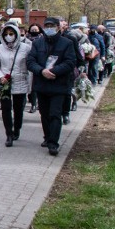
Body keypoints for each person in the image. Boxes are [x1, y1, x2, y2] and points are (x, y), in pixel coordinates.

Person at [27, 16, 77, 156]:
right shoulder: (38, 44)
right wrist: (41, 71)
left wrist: (53, 72)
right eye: (47, 26)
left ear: (58, 27)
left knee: (55, 114)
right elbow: (31, 61)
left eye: (52, 26)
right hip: (42, 85)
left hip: (58, 85)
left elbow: (70, 62)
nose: (49, 29)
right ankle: (47, 136)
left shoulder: (67, 43)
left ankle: (53, 143)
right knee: (44, 114)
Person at [0, 23, 31, 147]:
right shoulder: (0, 48)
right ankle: (8, 134)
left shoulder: (26, 47)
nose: (9, 36)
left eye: (11, 34)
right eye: (6, 34)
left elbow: (30, 65)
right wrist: (0, 76)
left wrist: (30, 85)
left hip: (20, 81)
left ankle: (17, 129)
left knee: (18, 109)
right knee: (6, 109)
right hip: (5, 83)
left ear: (16, 34)